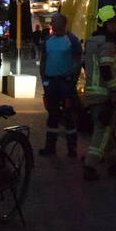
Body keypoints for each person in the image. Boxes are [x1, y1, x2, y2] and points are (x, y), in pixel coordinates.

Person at [82, 5, 116, 181]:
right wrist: (113, 90)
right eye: (112, 23)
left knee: (108, 129)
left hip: (92, 93)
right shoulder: (107, 43)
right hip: (104, 94)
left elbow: (86, 64)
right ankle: (90, 165)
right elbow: (105, 68)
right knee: (102, 130)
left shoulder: (91, 41)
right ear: (104, 24)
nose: (115, 27)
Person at [38, 14, 82, 157]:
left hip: (65, 82)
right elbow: (43, 60)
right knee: (52, 115)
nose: (52, 24)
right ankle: (50, 148)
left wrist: (72, 80)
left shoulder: (72, 40)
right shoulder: (48, 40)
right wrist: (44, 80)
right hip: (51, 82)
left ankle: (72, 149)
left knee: (69, 115)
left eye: (54, 22)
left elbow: (77, 61)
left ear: (63, 23)